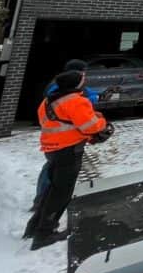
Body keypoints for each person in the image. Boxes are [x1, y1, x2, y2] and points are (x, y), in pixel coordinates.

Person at [24, 66, 113, 249]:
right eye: (82, 78)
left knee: (52, 189)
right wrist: (104, 125)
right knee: (61, 193)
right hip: (68, 150)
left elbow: (55, 122)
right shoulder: (75, 101)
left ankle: (35, 226)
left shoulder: (48, 102)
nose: (85, 81)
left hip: (51, 149)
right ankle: (44, 233)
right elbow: (92, 126)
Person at [30, 60, 101, 211]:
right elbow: (69, 105)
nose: (85, 75)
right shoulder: (58, 88)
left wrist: (95, 98)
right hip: (63, 144)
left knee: (53, 171)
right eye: (83, 72)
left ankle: (42, 207)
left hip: (61, 142)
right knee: (57, 180)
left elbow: (86, 94)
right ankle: (43, 206)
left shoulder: (68, 84)